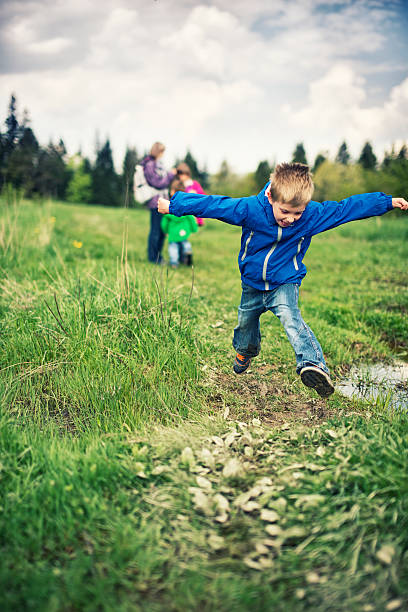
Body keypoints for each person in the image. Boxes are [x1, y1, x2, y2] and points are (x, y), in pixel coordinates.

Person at [158, 162, 408, 398]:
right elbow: (215, 205)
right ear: (271, 197)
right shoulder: (251, 209)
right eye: (285, 212)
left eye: (297, 213)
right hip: (252, 284)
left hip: (285, 282)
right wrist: (175, 205)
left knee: (291, 318)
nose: (290, 219)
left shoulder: (312, 215)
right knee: (246, 323)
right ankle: (245, 351)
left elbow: (347, 208)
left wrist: (386, 202)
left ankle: (313, 365)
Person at [139, 142, 176, 264]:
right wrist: (170, 175)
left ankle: (158, 257)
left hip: (163, 201)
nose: (163, 155)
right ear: (158, 151)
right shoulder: (150, 165)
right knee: (155, 231)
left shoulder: (158, 164)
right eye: (162, 152)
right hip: (156, 203)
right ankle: (153, 257)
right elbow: (157, 183)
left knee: (161, 231)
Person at [161, 177, 198, 267]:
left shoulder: (169, 208)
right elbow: (191, 219)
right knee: (185, 242)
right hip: (184, 230)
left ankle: (174, 263)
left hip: (173, 232)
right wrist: (194, 229)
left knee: (173, 247)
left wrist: (165, 231)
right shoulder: (185, 206)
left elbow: (164, 222)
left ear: (172, 191)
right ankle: (187, 250)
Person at [176, 162, 205, 226]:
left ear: (187, 174)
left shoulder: (194, 184)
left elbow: (202, 195)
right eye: (180, 174)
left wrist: (195, 193)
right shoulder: (178, 185)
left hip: (194, 213)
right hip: (184, 215)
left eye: (183, 174)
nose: (181, 176)